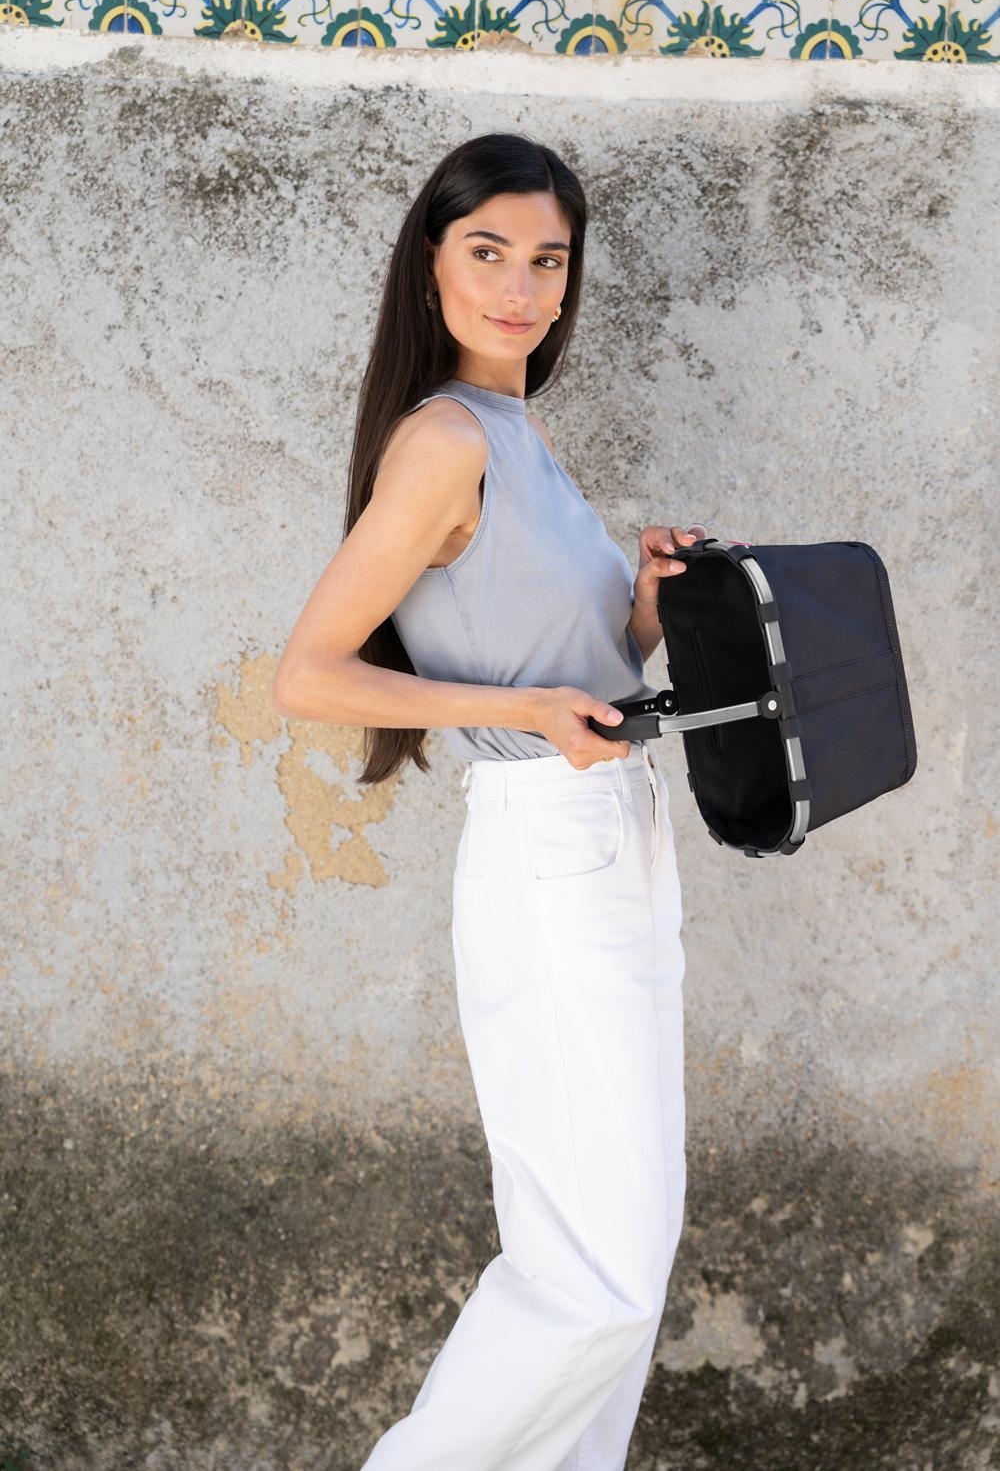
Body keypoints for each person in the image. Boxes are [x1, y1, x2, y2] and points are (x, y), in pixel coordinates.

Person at [272, 131, 708, 1471]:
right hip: (548, 844)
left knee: (624, 1246)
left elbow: (569, 663)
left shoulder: (521, 432)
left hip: (613, 831)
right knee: (594, 1275)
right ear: (431, 265)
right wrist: (523, 716)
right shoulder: (446, 441)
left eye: (548, 261)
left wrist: (645, 606)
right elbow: (309, 675)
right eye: (488, 252)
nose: (521, 288)